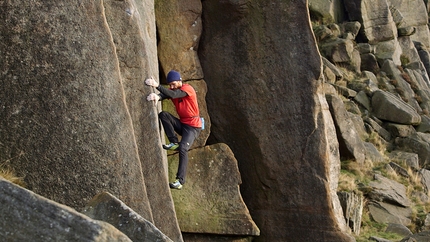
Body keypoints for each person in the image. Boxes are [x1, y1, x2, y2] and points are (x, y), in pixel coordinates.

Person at [145, 70, 202, 190]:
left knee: (183, 148)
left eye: (173, 84)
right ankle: (173, 142)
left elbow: (173, 95)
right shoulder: (173, 90)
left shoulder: (187, 89)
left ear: (180, 81)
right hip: (183, 124)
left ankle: (180, 181)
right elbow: (166, 94)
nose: (171, 87)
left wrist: (157, 86)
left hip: (193, 127)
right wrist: (157, 96)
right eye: (170, 85)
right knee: (164, 115)